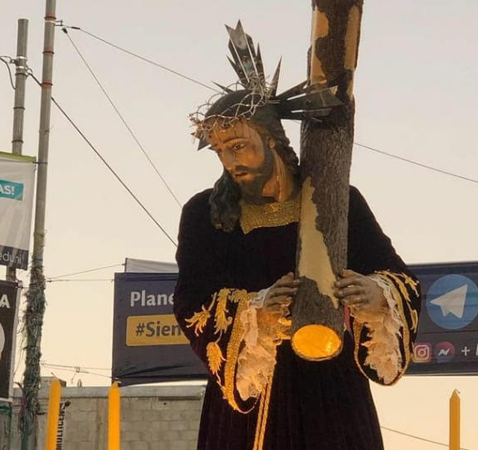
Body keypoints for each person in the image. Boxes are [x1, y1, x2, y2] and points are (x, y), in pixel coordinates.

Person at [173, 23, 420, 450]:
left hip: (331, 388)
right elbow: (191, 302)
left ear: (271, 139)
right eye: (221, 151)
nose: (231, 161)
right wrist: (255, 311)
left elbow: (401, 280)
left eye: (239, 146)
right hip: (250, 394)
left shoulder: (337, 201)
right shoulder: (203, 215)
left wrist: (376, 294)